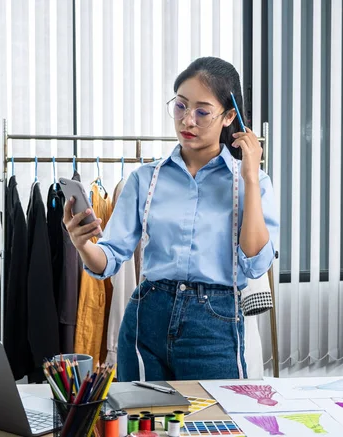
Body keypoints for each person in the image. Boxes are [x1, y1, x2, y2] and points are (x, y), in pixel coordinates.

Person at [63, 57, 279, 381]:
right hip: (146, 317)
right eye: (180, 106)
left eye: (202, 111)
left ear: (229, 116)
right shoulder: (144, 179)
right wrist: (82, 244)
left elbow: (255, 263)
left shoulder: (252, 182)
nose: (187, 121)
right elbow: (106, 260)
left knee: (214, 425)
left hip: (213, 325)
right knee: (139, 424)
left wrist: (248, 175)